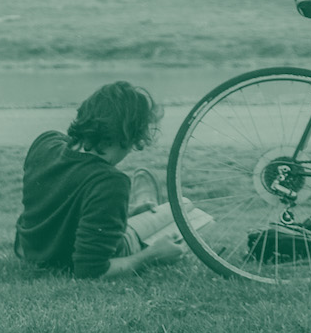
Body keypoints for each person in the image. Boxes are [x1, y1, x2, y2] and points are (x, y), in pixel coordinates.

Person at [14, 81, 186, 278]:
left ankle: (122, 213)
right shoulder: (110, 182)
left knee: (165, 212)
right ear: (131, 135)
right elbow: (91, 271)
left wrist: (126, 213)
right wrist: (153, 254)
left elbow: (60, 202)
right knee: (184, 213)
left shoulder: (45, 142)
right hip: (63, 258)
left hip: (28, 249)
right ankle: (135, 219)